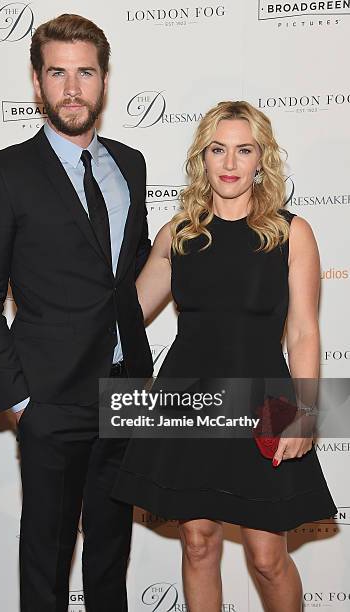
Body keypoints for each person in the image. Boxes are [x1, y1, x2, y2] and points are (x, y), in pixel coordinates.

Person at [112, 101, 337, 612]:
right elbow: (128, 314)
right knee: (198, 542)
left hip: (267, 401)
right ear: (203, 158)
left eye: (243, 149)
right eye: (218, 149)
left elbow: (303, 330)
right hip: (186, 401)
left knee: (266, 555)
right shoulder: (180, 235)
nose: (229, 162)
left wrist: (305, 412)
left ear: (262, 160)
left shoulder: (290, 233)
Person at [0, 14, 152, 612]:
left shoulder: (132, 164)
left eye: (85, 73)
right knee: (45, 565)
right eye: (58, 73)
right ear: (38, 81)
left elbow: (133, 277)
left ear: (103, 78)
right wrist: (20, 402)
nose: (73, 89)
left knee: (111, 561)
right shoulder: (2, 173)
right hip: (50, 397)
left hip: (127, 393)